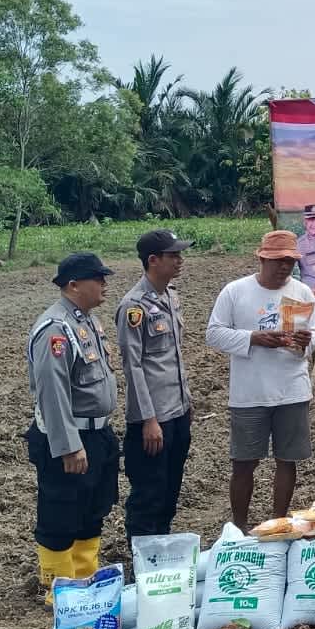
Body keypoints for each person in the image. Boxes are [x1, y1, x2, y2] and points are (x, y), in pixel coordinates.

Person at [206, 230, 315, 531]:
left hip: (292, 389)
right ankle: (239, 526)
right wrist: (253, 338)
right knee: (244, 462)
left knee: (287, 459)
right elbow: (214, 333)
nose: (284, 266)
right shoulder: (235, 291)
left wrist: (306, 341)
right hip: (249, 393)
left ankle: (279, 522)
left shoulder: (302, 292)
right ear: (261, 258)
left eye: (290, 261)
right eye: (278, 260)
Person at [26, 252, 121, 600]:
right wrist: (68, 446)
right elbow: (52, 393)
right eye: (98, 279)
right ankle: (59, 590)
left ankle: (85, 580)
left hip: (96, 434)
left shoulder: (86, 321)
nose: (104, 285)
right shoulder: (56, 329)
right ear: (74, 284)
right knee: (60, 512)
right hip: (70, 437)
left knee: (92, 509)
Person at [114, 229, 193, 542]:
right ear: (153, 260)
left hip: (178, 411)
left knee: (170, 490)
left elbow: (174, 356)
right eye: (173, 255)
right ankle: (142, 557)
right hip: (153, 419)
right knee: (149, 494)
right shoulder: (134, 307)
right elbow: (133, 366)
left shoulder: (170, 296)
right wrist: (148, 419)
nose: (179, 260)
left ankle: (162, 549)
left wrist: (187, 402)